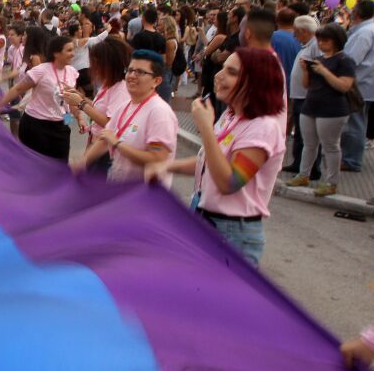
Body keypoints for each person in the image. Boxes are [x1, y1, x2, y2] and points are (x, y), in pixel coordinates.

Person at [145, 48, 287, 267]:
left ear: (256, 81)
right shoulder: (232, 116)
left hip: (231, 232)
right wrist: (166, 167)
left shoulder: (263, 127)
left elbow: (228, 182)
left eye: (231, 72)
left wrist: (206, 129)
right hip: (207, 220)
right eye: (222, 68)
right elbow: (209, 162)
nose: (218, 76)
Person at [76, 50, 177, 183]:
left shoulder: (159, 112)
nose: (132, 76)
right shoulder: (125, 106)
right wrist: (80, 164)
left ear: (156, 81)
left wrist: (118, 144)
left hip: (144, 196)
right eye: (130, 70)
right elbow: (105, 139)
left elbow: (158, 157)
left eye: (140, 72)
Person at [285, 23, 355, 197]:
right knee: (309, 144)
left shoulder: (345, 60)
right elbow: (307, 85)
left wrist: (324, 72)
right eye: (320, 40)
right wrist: (306, 71)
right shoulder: (321, 59)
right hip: (311, 105)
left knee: (330, 146)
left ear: (336, 40)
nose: (321, 43)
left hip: (332, 110)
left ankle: (331, 182)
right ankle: (303, 174)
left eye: (326, 40)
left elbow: (344, 86)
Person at [0, 35, 81, 162]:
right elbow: (17, 89)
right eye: (69, 50)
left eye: (73, 50)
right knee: (36, 167)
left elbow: (68, 102)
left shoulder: (72, 72)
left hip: (60, 126)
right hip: (36, 126)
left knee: (60, 167)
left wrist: (78, 118)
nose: (73, 54)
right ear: (56, 53)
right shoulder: (41, 71)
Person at [62, 37, 133, 174]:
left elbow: (109, 122)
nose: (91, 66)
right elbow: (99, 109)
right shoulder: (109, 83)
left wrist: (81, 103)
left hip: (106, 151)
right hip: (96, 144)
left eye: (95, 62)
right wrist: (80, 97)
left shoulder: (120, 88)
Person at [342, 0, 374, 170]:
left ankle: (351, 160)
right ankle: (350, 156)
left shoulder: (364, 33)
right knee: (358, 121)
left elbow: (351, 59)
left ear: (357, 13)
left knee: (355, 123)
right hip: (367, 84)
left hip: (359, 84)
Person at [283, 15, 322, 178]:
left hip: (307, 96)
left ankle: (311, 168)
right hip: (299, 95)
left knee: (309, 135)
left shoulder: (316, 46)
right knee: (300, 132)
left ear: (305, 31)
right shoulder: (307, 45)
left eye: (296, 32)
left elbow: (318, 69)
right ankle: (298, 162)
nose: (294, 36)